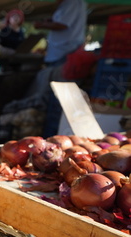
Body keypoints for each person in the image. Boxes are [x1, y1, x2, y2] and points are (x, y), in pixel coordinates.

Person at [33, 0, 87, 137]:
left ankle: (53, 136)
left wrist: (43, 24)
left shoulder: (73, 2)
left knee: (57, 101)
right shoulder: (67, 4)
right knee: (55, 99)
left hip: (64, 56)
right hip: (59, 55)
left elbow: (63, 24)